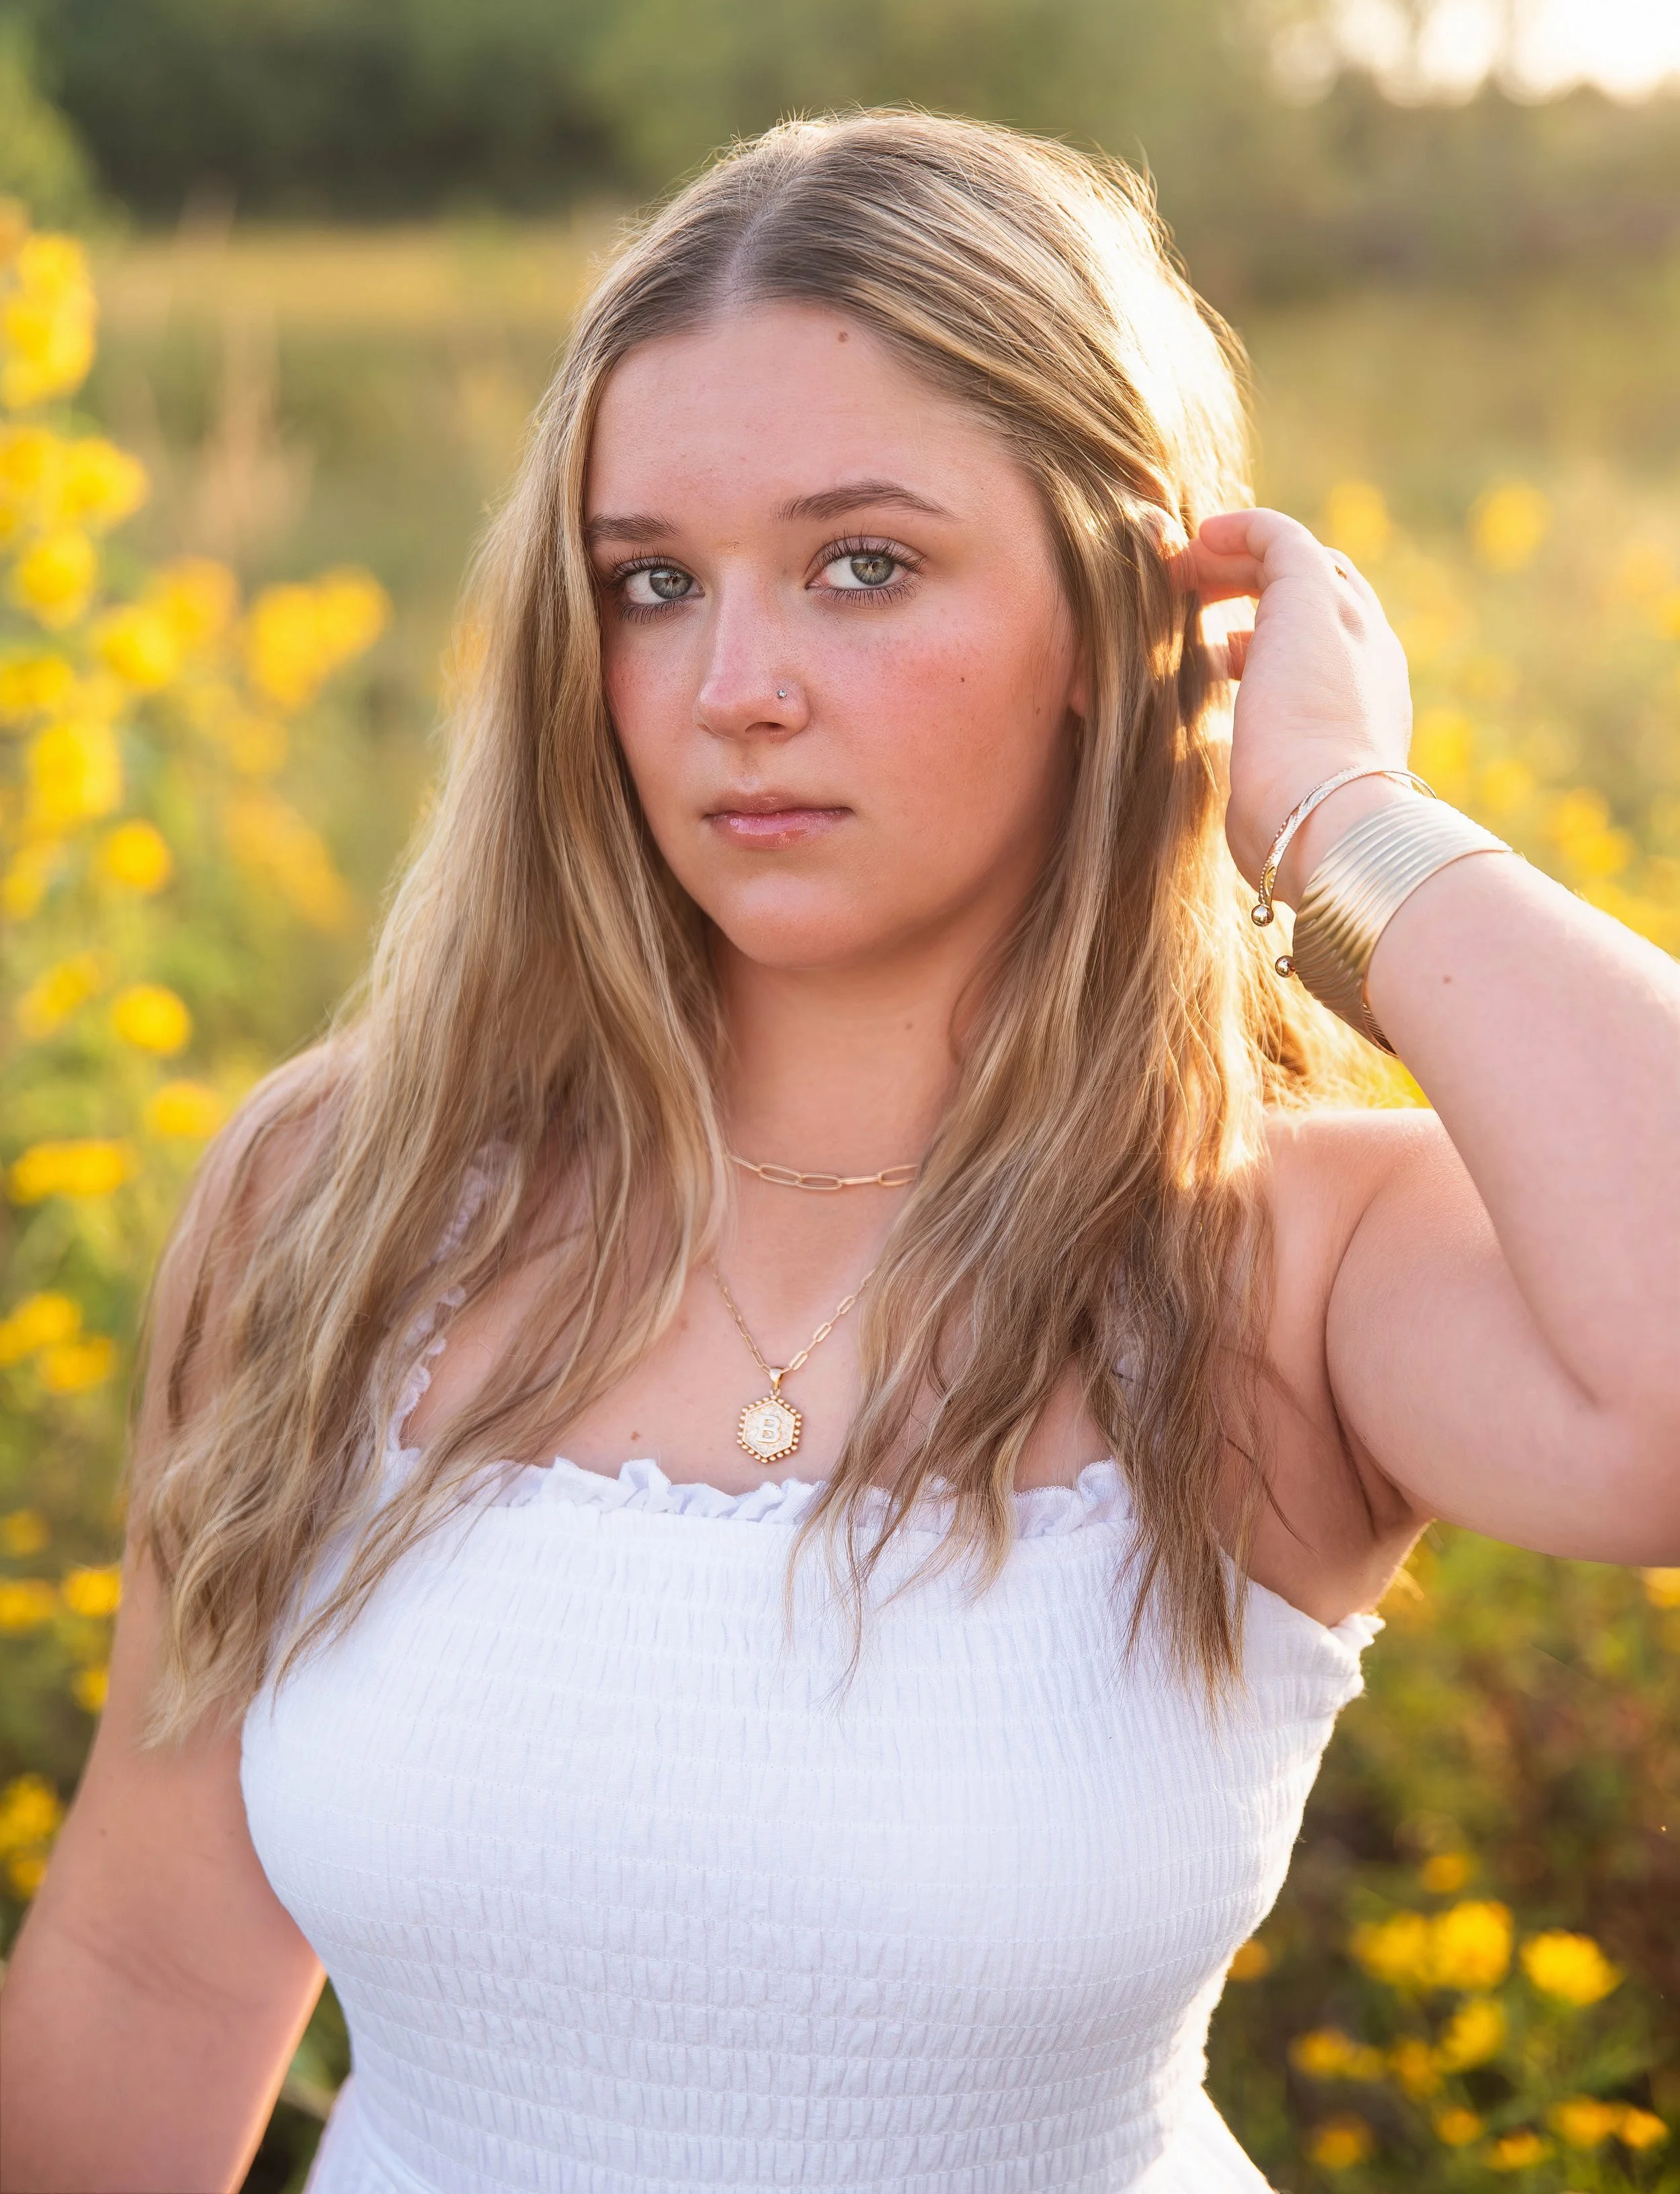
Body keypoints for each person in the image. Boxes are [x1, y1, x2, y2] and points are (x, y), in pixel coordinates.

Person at [2, 111, 1677, 2194]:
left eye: (862, 565)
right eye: (649, 585)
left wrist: (1337, 815)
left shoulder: (1289, 1259)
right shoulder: (341, 1196)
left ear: (1123, 609)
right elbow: (149, 1969)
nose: (732, 690)